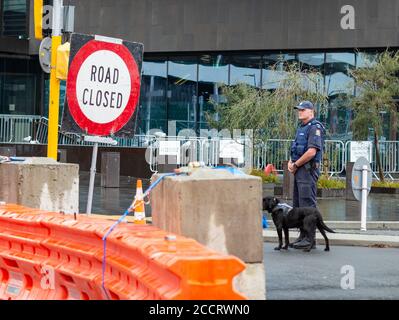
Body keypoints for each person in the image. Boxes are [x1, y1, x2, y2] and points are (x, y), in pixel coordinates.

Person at [288, 100, 325, 248]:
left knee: (307, 205)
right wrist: (291, 162)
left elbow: (311, 152)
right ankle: (302, 236)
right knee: (298, 206)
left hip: (307, 171)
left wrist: (296, 164)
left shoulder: (315, 128)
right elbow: (296, 149)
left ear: (311, 111)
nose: (300, 112)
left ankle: (310, 239)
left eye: (303, 110)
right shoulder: (301, 128)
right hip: (299, 171)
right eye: (299, 110)